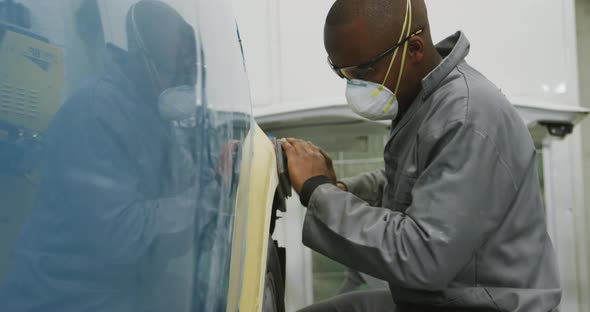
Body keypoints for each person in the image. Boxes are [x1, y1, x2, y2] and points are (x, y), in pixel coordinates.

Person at [282, 0, 561, 311]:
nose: (353, 85)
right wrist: (343, 191)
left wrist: (316, 190)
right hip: (443, 296)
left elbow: (423, 256)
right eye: (342, 73)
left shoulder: (467, 117)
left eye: (362, 70)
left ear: (414, 48)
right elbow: (412, 183)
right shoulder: (427, 101)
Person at [0, 1, 233, 311]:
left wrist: (219, 170)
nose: (187, 83)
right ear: (143, 59)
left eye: (192, 71)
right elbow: (124, 233)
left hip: (115, 294)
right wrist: (213, 194)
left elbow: (181, 182)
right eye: (179, 69)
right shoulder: (95, 114)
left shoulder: (154, 115)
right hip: (58, 300)